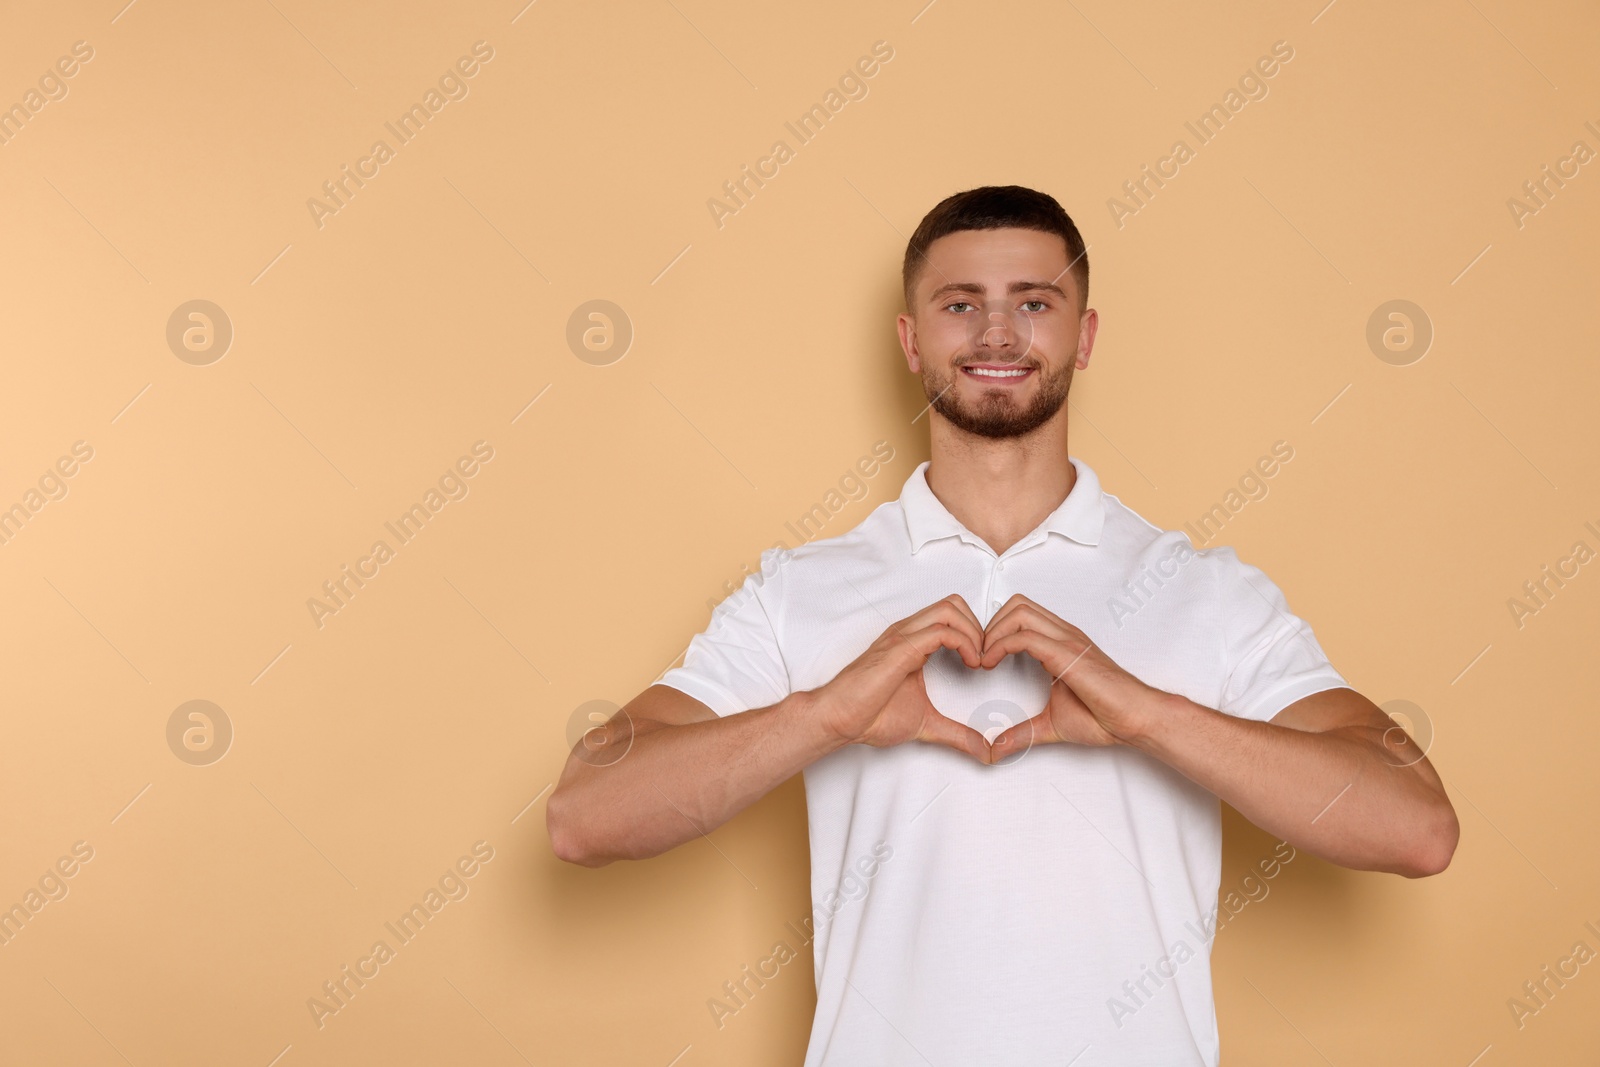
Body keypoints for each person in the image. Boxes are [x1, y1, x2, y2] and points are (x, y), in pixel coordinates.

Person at [547, 185, 1458, 1066]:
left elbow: (1416, 829)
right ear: (910, 339)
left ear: (1085, 335)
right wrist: (825, 714)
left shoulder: (1204, 590)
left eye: (1034, 302)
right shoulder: (803, 587)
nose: (996, 333)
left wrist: (1147, 715)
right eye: (959, 304)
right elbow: (585, 816)